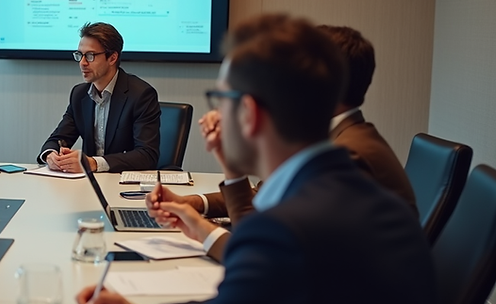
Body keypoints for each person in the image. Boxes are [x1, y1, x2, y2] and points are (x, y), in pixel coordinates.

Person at [60, 14, 445, 304]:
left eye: (220, 100)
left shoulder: (285, 233)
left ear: (249, 113)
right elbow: (258, 302)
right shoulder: (359, 195)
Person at [155, 25, 417, 262]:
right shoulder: (335, 138)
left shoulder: (348, 156)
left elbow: (263, 254)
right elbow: (266, 197)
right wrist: (196, 204)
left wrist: (205, 229)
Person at [37, 22, 160, 173]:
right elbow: (58, 138)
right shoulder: (79, 94)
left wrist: (94, 163)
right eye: (79, 55)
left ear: (112, 58)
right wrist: (51, 155)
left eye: (90, 56)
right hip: (90, 184)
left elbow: (147, 155)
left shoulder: (141, 95)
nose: (82, 63)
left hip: (122, 183)